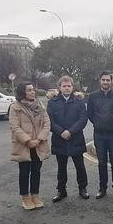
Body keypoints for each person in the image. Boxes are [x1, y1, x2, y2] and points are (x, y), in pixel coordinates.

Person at [47, 75, 89, 203]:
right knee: (61, 167)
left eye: (69, 86)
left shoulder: (79, 102)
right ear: (59, 88)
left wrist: (70, 131)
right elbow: (49, 121)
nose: (66, 88)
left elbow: (83, 119)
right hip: (60, 139)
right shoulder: (52, 102)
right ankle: (61, 190)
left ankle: (83, 188)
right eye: (64, 86)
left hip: (75, 139)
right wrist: (61, 132)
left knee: (80, 166)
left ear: (72, 87)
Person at [9, 82, 51, 210]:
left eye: (33, 90)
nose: (32, 92)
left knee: (36, 171)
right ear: (23, 92)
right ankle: (25, 197)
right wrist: (28, 140)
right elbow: (14, 126)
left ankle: (35, 195)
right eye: (29, 90)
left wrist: (39, 139)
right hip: (24, 145)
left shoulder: (40, 106)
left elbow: (47, 123)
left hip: (38, 144)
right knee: (24, 172)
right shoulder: (15, 107)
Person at [86, 71, 113, 199]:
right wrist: (97, 122)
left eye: (108, 80)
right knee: (101, 162)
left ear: (111, 81)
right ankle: (102, 188)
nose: (105, 82)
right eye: (103, 80)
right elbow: (89, 113)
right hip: (99, 135)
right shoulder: (92, 96)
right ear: (100, 81)